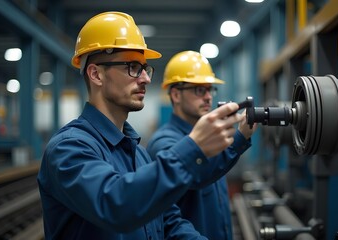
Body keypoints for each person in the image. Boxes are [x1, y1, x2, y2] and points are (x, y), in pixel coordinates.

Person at [37, 12, 246, 240]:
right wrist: (193, 148)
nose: (145, 78)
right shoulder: (68, 148)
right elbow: (116, 204)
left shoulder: (139, 153)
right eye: (133, 67)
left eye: (145, 68)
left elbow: (168, 222)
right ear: (96, 74)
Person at [146, 51, 257, 240]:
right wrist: (238, 140)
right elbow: (198, 176)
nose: (208, 97)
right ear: (176, 94)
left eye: (210, 89)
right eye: (199, 90)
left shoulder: (212, 138)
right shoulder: (164, 143)